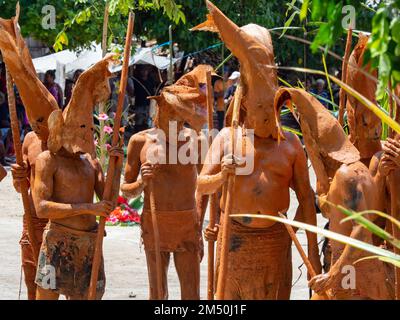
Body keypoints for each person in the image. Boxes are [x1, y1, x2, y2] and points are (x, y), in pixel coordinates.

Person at [194, 1, 321, 300]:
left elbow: (306, 197)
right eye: (260, 106)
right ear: (246, 103)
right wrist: (222, 174)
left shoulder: (291, 146)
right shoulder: (227, 138)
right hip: (234, 240)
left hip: (276, 244)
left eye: (271, 106)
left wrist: (310, 250)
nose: (267, 113)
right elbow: (202, 184)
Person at [32, 55, 123, 300]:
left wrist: (116, 166)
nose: (87, 134)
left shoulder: (90, 162)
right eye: (82, 128)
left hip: (89, 245)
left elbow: (109, 202)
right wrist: (87, 207)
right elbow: (41, 208)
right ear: (65, 129)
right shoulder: (48, 160)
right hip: (57, 243)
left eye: (89, 128)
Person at [121, 65, 213, 300]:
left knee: (191, 295)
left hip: (187, 224)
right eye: (174, 112)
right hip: (154, 223)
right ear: (159, 107)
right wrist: (142, 182)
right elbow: (126, 189)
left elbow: (206, 185)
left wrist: (200, 224)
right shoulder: (140, 141)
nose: (179, 119)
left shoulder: (196, 139)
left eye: (183, 114)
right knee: (158, 293)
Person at [0, 9, 60, 299]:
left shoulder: (63, 146)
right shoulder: (28, 140)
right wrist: (19, 176)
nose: (38, 123)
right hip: (29, 223)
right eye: (35, 119)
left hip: (54, 226)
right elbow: (19, 185)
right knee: (32, 284)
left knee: (50, 288)